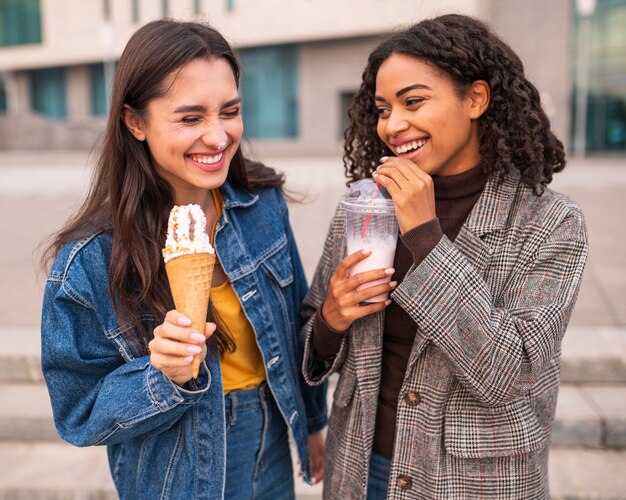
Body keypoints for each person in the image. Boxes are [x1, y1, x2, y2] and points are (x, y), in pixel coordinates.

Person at [301, 14, 588, 499]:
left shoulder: (551, 222)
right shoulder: (366, 204)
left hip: (474, 484)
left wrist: (425, 235)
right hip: (362, 469)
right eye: (383, 108)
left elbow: (510, 373)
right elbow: (312, 336)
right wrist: (331, 318)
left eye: (413, 101)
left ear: (475, 98)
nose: (393, 125)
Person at [41, 19, 326, 500]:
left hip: (273, 440)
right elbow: (78, 414)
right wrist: (160, 376)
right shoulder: (88, 260)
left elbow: (296, 325)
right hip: (180, 473)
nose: (217, 137)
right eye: (190, 118)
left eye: (230, 111)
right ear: (136, 122)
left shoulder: (262, 205)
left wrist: (313, 422)